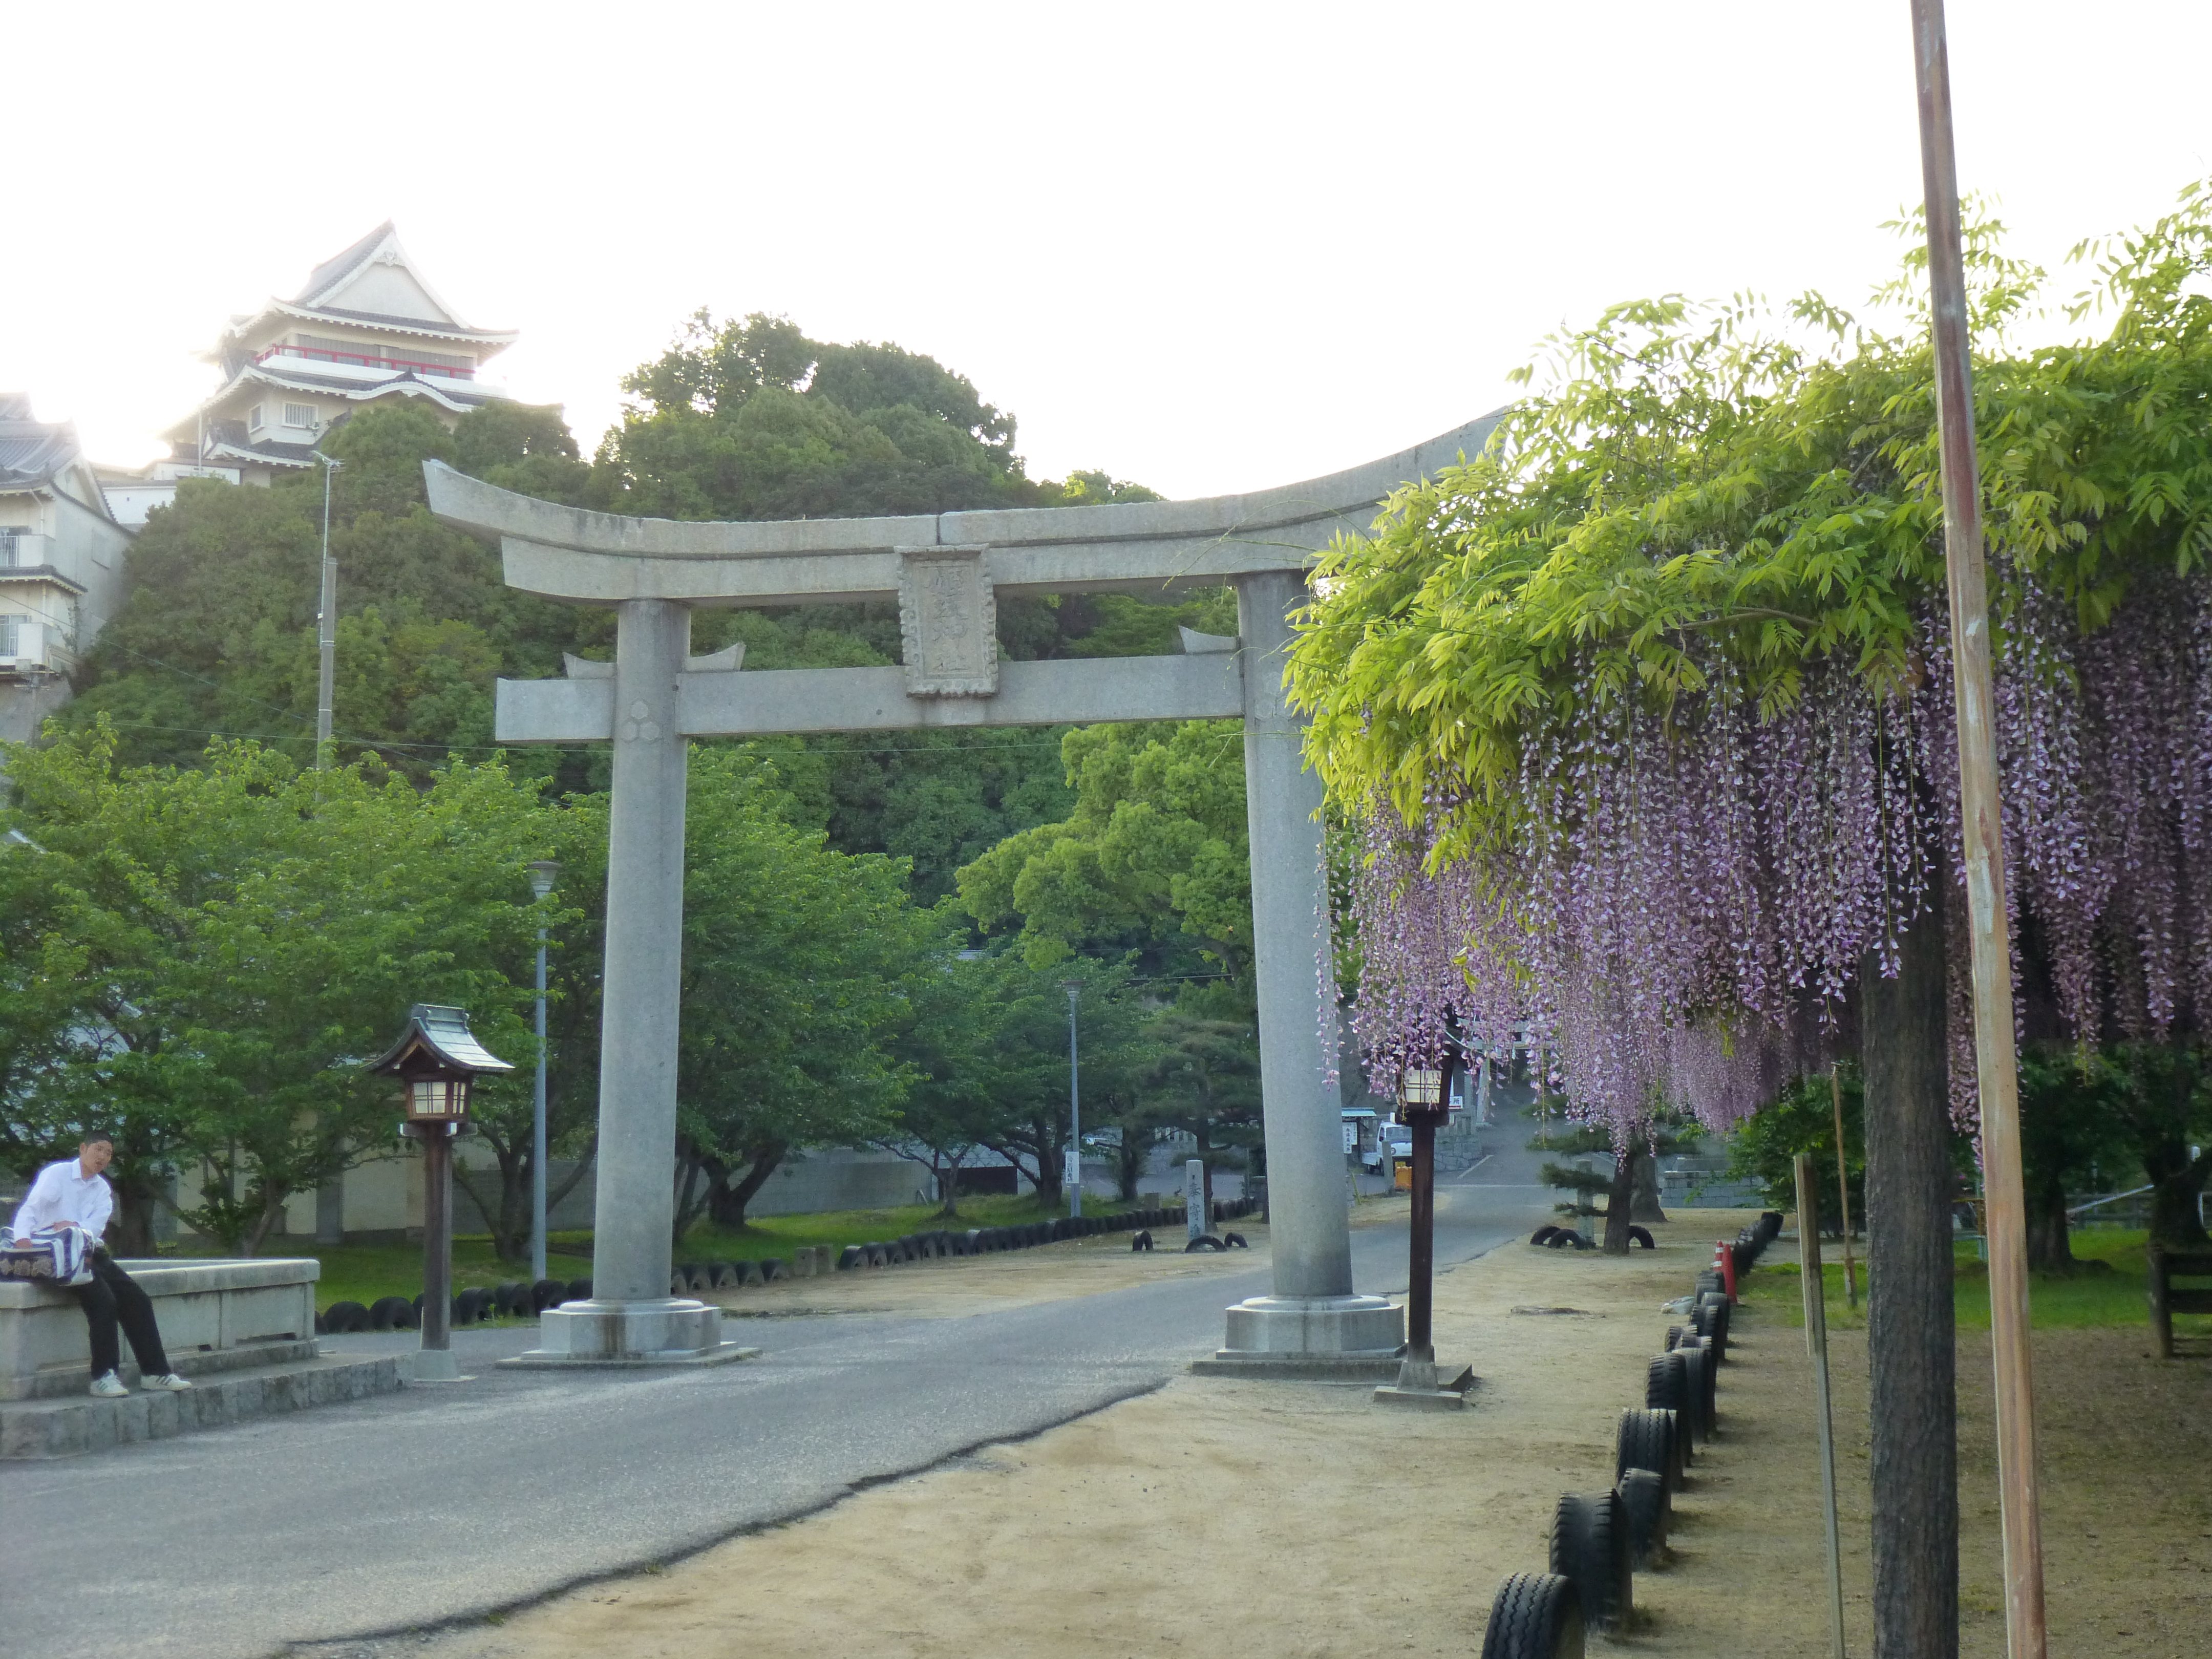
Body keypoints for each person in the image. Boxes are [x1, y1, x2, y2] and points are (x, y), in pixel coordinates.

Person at [7, 1132, 194, 1398]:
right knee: (104, 1301)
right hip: (52, 1254)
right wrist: (23, 1240)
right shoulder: (57, 1174)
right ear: (83, 1148)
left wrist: (73, 1228)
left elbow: (94, 1229)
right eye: (98, 1149)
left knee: (136, 1298)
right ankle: (103, 1376)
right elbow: (32, 1208)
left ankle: (156, 1373)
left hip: (86, 1250)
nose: (103, 1157)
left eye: (108, 1153)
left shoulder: (102, 1189)